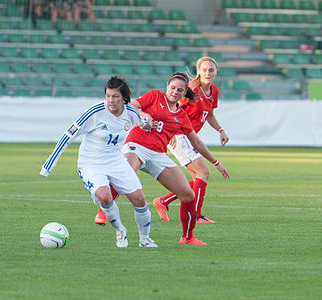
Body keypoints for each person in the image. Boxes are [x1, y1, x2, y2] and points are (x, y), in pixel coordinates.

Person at [95, 72, 229, 245]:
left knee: (188, 194)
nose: (175, 92)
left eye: (180, 90)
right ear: (167, 86)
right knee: (126, 173)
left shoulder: (181, 115)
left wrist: (216, 163)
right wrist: (143, 115)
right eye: (173, 88)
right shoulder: (155, 96)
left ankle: (187, 238)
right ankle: (103, 210)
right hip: (137, 145)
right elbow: (131, 106)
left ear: (184, 93)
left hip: (159, 154)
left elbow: (196, 141)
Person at [40, 76, 158, 248]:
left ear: (124, 98)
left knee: (139, 199)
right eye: (108, 95)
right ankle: (120, 231)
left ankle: (145, 239)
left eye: (115, 96)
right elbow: (68, 135)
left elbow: (143, 122)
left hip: (117, 161)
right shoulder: (95, 112)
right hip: (91, 163)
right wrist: (49, 164)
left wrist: (147, 123)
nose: (111, 100)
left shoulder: (130, 114)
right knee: (104, 195)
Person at [153, 57, 229, 224]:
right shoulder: (192, 90)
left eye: (211, 70)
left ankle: (163, 201)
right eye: (204, 70)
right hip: (179, 135)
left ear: (216, 72)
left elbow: (209, 114)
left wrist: (220, 130)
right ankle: (196, 215)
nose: (207, 73)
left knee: (197, 180)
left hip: (189, 136)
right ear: (198, 72)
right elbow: (174, 108)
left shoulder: (214, 91)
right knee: (204, 173)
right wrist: (170, 133)